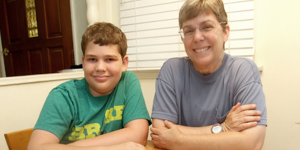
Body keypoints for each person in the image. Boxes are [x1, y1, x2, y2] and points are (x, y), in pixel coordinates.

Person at [150, 0, 267, 150]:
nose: (197, 37)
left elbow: (252, 143)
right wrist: (222, 128)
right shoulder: (171, 70)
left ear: (225, 32)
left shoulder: (243, 71)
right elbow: (160, 134)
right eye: (189, 31)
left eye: (207, 27)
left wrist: (179, 141)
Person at [28, 22, 151, 150]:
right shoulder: (64, 95)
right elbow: (35, 147)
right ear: (83, 62)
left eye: (109, 59)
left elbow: (139, 134)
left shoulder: (127, 82)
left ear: (124, 63)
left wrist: (71, 147)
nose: (100, 68)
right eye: (92, 59)